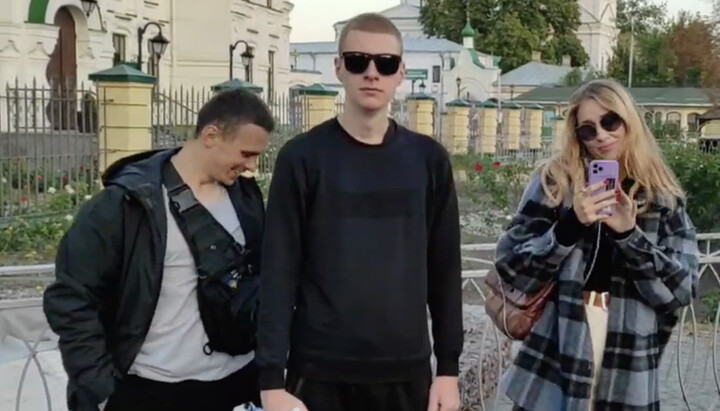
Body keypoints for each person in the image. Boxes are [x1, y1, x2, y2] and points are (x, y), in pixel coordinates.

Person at [255, 12, 464, 411]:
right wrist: (270, 379)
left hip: (405, 371)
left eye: (385, 64)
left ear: (400, 73)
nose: (371, 73)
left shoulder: (428, 160)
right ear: (339, 68)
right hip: (319, 372)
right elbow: (279, 269)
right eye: (357, 61)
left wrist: (448, 371)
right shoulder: (302, 158)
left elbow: (445, 269)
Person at [43, 88, 274, 411]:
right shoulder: (125, 203)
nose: (252, 166)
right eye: (246, 153)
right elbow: (71, 297)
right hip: (152, 389)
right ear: (211, 135)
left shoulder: (245, 197)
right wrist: (99, 386)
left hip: (237, 384)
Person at [493, 78, 700, 411]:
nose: (601, 136)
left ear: (629, 121)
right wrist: (569, 227)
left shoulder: (661, 196)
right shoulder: (556, 182)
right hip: (557, 353)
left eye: (610, 121)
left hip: (626, 358)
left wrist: (628, 235)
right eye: (587, 130)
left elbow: (682, 290)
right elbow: (511, 265)